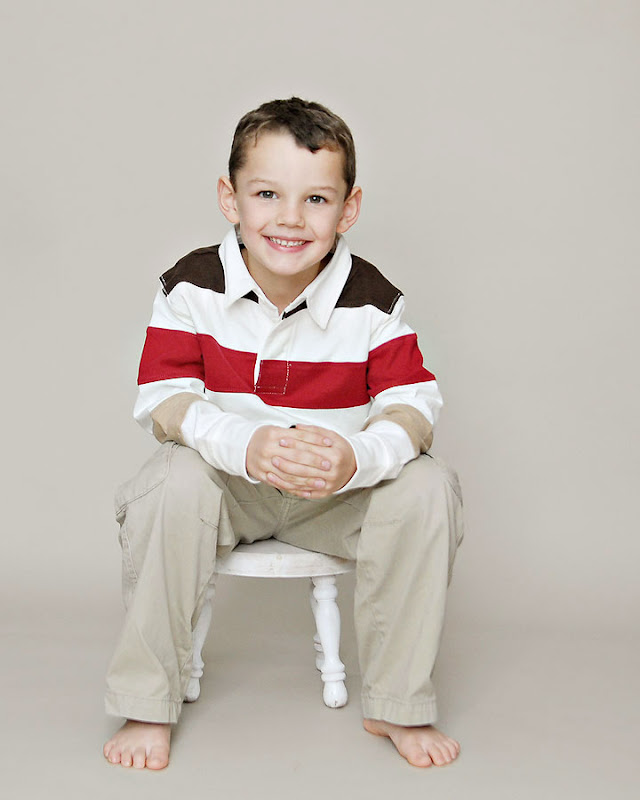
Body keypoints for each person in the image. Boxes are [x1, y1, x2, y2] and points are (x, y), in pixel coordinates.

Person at [103, 97, 464, 771]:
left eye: (316, 199)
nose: (291, 218)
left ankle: (397, 701)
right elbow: (164, 401)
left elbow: (414, 407)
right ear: (230, 198)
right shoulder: (190, 287)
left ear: (348, 209)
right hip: (228, 489)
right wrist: (246, 446)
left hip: (334, 498)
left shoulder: (375, 300)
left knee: (428, 486)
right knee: (170, 481)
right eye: (267, 194)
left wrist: (355, 457)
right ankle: (147, 699)